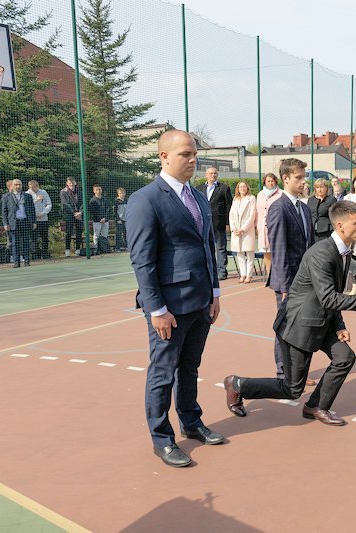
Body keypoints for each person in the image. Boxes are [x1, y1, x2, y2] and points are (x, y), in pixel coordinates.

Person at [223, 201, 356, 426]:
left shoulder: (342, 250)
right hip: (299, 325)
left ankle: (316, 406)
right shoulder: (322, 253)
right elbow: (329, 298)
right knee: (292, 389)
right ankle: (237, 384)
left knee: (345, 358)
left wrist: (339, 325)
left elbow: (330, 295)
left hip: (321, 319)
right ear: (340, 225)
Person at [126, 129, 226, 468]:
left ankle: (191, 421)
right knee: (162, 373)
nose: (193, 159)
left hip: (200, 301)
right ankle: (162, 439)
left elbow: (207, 247)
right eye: (185, 154)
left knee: (190, 367)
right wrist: (156, 309)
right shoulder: (146, 199)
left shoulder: (197, 197)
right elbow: (143, 260)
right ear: (164, 157)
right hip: (169, 307)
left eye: (194, 153)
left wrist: (214, 291)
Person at [267, 158, 314, 380]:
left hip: (305, 280)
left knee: (302, 327)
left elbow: (310, 246)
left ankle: (297, 371)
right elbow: (278, 249)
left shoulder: (303, 208)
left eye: (304, 177)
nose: (303, 182)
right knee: (286, 327)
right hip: (288, 282)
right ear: (285, 179)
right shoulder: (278, 208)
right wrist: (286, 285)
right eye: (298, 177)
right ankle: (283, 372)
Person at [196, 167, 233, 280]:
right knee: (207, 247)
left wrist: (228, 223)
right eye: (211, 173)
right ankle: (211, 270)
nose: (213, 175)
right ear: (206, 175)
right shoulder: (199, 188)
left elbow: (229, 207)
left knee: (221, 248)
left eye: (215, 173)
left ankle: (222, 271)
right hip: (204, 224)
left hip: (219, 224)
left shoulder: (223, 188)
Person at [1, 179, 36, 268]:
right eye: (16, 185)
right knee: (14, 243)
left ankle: (27, 260)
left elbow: (32, 210)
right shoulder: (6, 196)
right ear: (12, 186)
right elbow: (4, 211)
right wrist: (5, 223)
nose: (18, 186)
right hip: (13, 222)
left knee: (26, 242)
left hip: (25, 221)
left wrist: (34, 222)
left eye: (19, 185)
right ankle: (16, 261)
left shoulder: (28, 196)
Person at [229, 181, 257, 283]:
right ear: (238, 189)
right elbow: (231, 214)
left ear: (247, 188)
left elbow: (252, 215)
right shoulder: (235, 199)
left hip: (247, 230)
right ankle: (243, 274)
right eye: (241, 187)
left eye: (244, 186)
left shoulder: (252, 198)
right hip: (236, 231)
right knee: (239, 254)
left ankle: (249, 275)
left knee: (249, 253)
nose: (243, 188)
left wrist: (243, 229)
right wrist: (234, 228)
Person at [256, 172, 282, 278]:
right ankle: (269, 275)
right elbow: (257, 211)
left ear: (275, 181)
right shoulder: (260, 194)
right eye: (268, 181)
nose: (270, 183)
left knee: (277, 251)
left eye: (272, 181)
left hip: (276, 227)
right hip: (262, 228)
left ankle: (278, 275)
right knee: (266, 251)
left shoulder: (281, 193)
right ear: (265, 182)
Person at [27, 180, 52, 260]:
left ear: (37, 186)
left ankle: (45, 254)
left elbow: (49, 204)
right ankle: (35, 254)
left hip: (43, 218)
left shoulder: (43, 192)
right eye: (31, 188)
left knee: (44, 237)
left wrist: (43, 213)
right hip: (33, 220)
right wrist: (36, 200)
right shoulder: (27, 194)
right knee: (34, 238)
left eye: (34, 187)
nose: (33, 189)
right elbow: (27, 206)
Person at [60, 177, 84, 257]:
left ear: (75, 183)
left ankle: (78, 250)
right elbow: (65, 204)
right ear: (67, 183)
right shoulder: (63, 192)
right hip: (69, 214)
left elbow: (83, 202)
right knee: (69, 232)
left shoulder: (80, 192)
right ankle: (67, 250)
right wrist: (74, 212)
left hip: (79, 214)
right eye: (69, 182)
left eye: (73, 182)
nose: (71, 184)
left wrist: (80, 212)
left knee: (79, 231)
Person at [89, 184, 111, 253]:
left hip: (105, 221)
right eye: (97, 190)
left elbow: (108, 210)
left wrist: (105, 218)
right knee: (96, 235)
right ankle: (96, 249)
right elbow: (93, 211)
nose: (98, 191)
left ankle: (104, 249)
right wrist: (100, 219)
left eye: (99, 189)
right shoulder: (92, 201)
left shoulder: (105, 200)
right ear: (94, 191)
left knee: (105, 235)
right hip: (97, 221)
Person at [114, 187, 128, 251]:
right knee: (118, 234)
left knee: (126, 233)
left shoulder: (127, 200)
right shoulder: (116, 201)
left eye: (122, 193)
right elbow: (114, 211)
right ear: (118, 194)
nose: (121, 194)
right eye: (120, 193)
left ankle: (127, 246)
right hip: (119, 220)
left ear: (125, 193)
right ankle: (117, 248)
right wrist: (117, 219)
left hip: (127, 220)